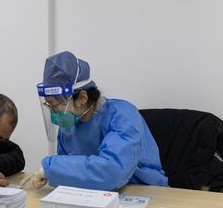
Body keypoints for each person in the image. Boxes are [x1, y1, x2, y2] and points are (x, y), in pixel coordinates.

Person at [21, 51, 167, 190]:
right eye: (49, 105)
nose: (53, 113)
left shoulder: (123, 116)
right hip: (96, 194)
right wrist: (54, 173)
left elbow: (111, 171)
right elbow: (68, 169)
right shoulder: (69, 125)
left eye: (56, 105)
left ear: (82, 98)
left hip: (142, 190)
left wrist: (50, 169)